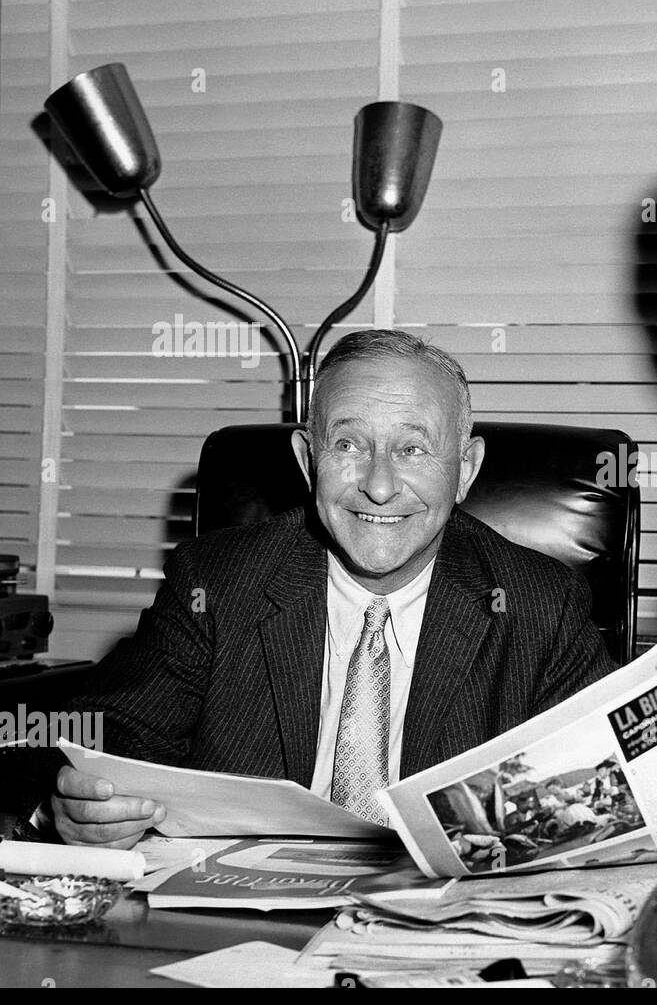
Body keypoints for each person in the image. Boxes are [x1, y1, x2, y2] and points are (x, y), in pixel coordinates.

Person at [41, 329, 615, 848]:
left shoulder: (542, 606)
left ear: (464, 469)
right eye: (348, 446)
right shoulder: (217, 583)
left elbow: (599, 792)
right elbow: (111, 735)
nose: (380, 487)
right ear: (306, 459)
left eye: (412, 449)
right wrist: (82, 807)